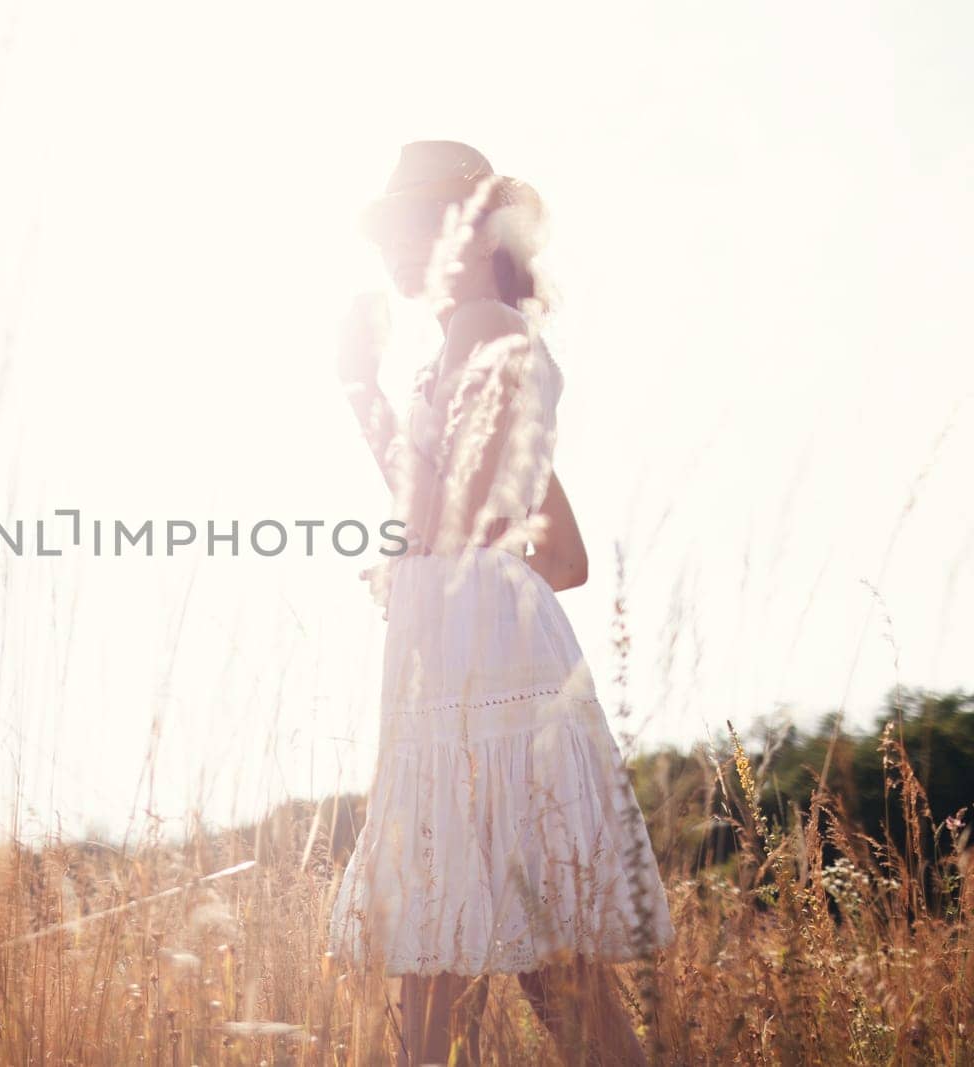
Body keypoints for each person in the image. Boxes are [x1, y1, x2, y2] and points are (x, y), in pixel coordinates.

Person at [328, 141, 675, 1066]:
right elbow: (560, 555)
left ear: (473, 225)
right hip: (491, 655)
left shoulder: (482, 332)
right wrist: (431, 570)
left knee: (439, 954)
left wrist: (361, 388)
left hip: (471, 673)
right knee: (549, 968)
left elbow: (443, 516)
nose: (395, 249)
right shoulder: (486, 338)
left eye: (413, 224)